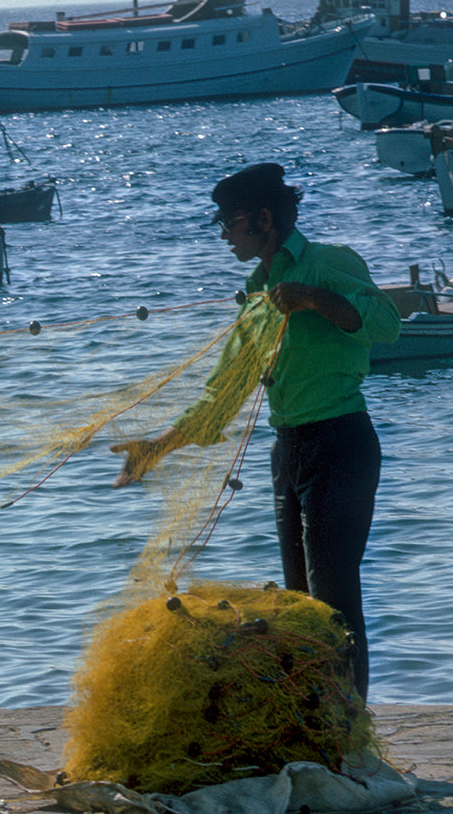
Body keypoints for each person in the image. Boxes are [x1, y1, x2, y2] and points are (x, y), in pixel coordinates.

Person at [111, 162, 399, 700]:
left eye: (228, 223)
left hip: (340, 442)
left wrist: (315, 298)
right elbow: (225, 390)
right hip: (288, 450)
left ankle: (353, 728)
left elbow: (388, 325)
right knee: (300, 599)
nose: (223, 235)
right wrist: (159, 447)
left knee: (334, 596)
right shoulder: (257, 289)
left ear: (262, 219)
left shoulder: (328, 262)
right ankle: (320, 717)